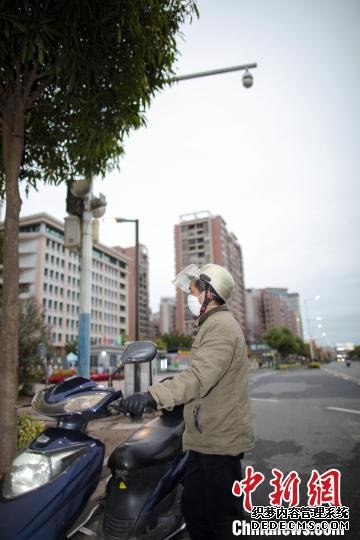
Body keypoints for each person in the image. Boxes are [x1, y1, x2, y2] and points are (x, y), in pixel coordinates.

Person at [121, 263, 255, 540]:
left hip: (219, 441)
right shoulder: (211, 325)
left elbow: (198, 378)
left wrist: (151, 397)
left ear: (209, 292)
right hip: (204, 438)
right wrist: (168, 387)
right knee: (195, 511)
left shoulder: (220, 327)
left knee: (222, 518)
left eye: (194, 289)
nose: (190, 295)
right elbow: (201, 374)